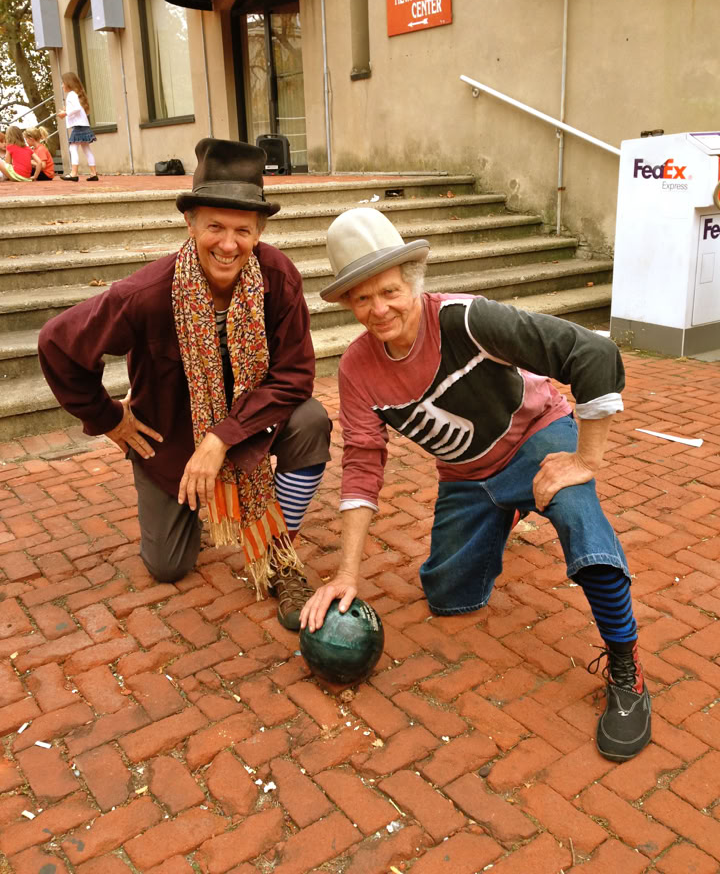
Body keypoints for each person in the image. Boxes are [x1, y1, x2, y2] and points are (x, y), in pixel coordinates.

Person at [301, 207, 651, 762]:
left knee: (578, 516)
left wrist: (586, 458)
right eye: (362, 298)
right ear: (347, 303)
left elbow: (594, 352)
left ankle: (627, 668)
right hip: (466, 475)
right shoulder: (357, 369)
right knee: (449, 597)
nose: (379, 309)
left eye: (389, 291)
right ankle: (507, 509)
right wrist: (347, 573)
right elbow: (364, 464)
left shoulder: (467, 320)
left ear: (412, 281)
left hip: (537, 440)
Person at [39, 138, 332, 629]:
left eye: (242, 230)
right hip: (171, 439)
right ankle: (196, 506)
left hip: (247, 429)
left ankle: (279, 556)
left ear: (259, 232)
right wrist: (108, 418)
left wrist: (221, 437)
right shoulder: (148, 293)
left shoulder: (277, 278)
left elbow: (295, 374)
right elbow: (57, 343)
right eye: (215, 226)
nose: (228, 244)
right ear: (190, 223)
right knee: (168, 566)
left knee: (311, 420)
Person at [57, 71, 98, 181]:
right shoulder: (75, 95)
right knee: (86, 149)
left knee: (73, 148)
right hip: (83, 125)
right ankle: (93, 173)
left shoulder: (71, 95)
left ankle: (74, 173)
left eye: (63, 83)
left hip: (78, 126)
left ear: (68, 83)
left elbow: (77, 108)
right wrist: (67, 110)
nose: (62, 85)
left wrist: (65, 113)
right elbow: (77, 108)